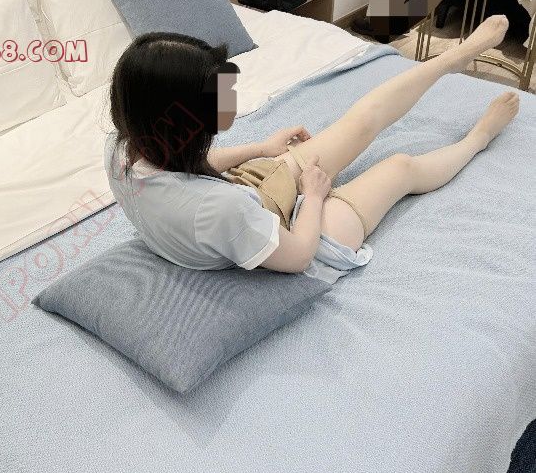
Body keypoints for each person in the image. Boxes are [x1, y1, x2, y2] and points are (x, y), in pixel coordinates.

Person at [105, 15, 519, 283]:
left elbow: (190, 165)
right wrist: (316, 195)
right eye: (219, 94)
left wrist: (260, 148)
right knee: (399, 168)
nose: (231, 97)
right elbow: (300, 257)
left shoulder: (122, 150)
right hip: (288, 238)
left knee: (360, 121)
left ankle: (452, 59)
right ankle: (478, 138)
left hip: (247, 198)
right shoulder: (220, 210)